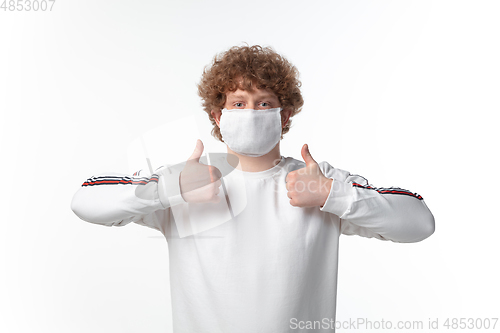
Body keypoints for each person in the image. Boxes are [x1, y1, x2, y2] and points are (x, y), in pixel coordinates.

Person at [71, 44, 435, 333]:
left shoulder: (318, 180)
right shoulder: (185, 181)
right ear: (218, 116)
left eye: (264, 103)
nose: (251, 112)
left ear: (284, 115)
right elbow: (85, 201)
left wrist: (331, 194)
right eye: (238, 103)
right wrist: (168, 189)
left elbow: (419, 222)